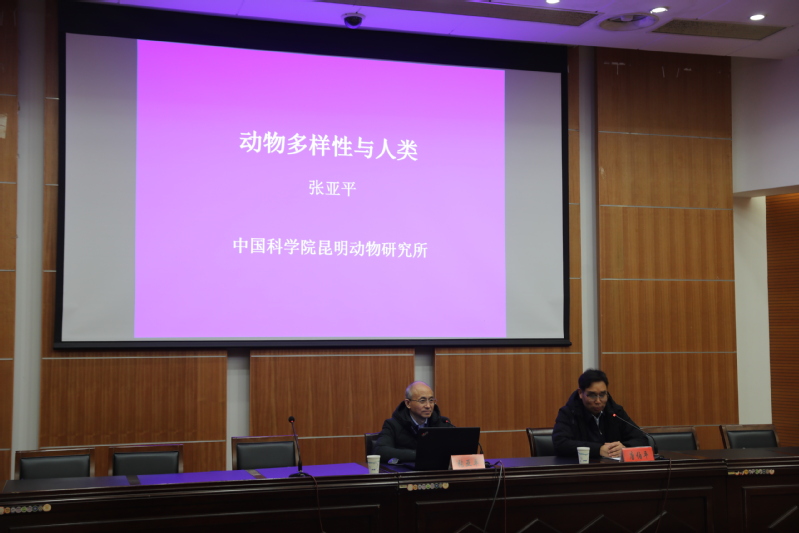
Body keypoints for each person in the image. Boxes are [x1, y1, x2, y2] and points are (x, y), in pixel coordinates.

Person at [552, 369, 648, 458]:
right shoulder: (568, 413)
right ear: (580, 393)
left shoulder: (616, 412)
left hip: (614, 467)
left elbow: (642, 439)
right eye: (592, 395)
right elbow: (560, 444)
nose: (598, 401)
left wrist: (624, 447)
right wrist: (598, 450)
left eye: (602, 395)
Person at [373, 381, 454, 463]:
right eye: (422, 401)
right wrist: (420, 455)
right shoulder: (393, 425)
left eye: (431, 400)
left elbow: (458, 446)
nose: (428, 406)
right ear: (408, 403)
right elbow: (380, 451)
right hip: (406, 470)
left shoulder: (442, 422)